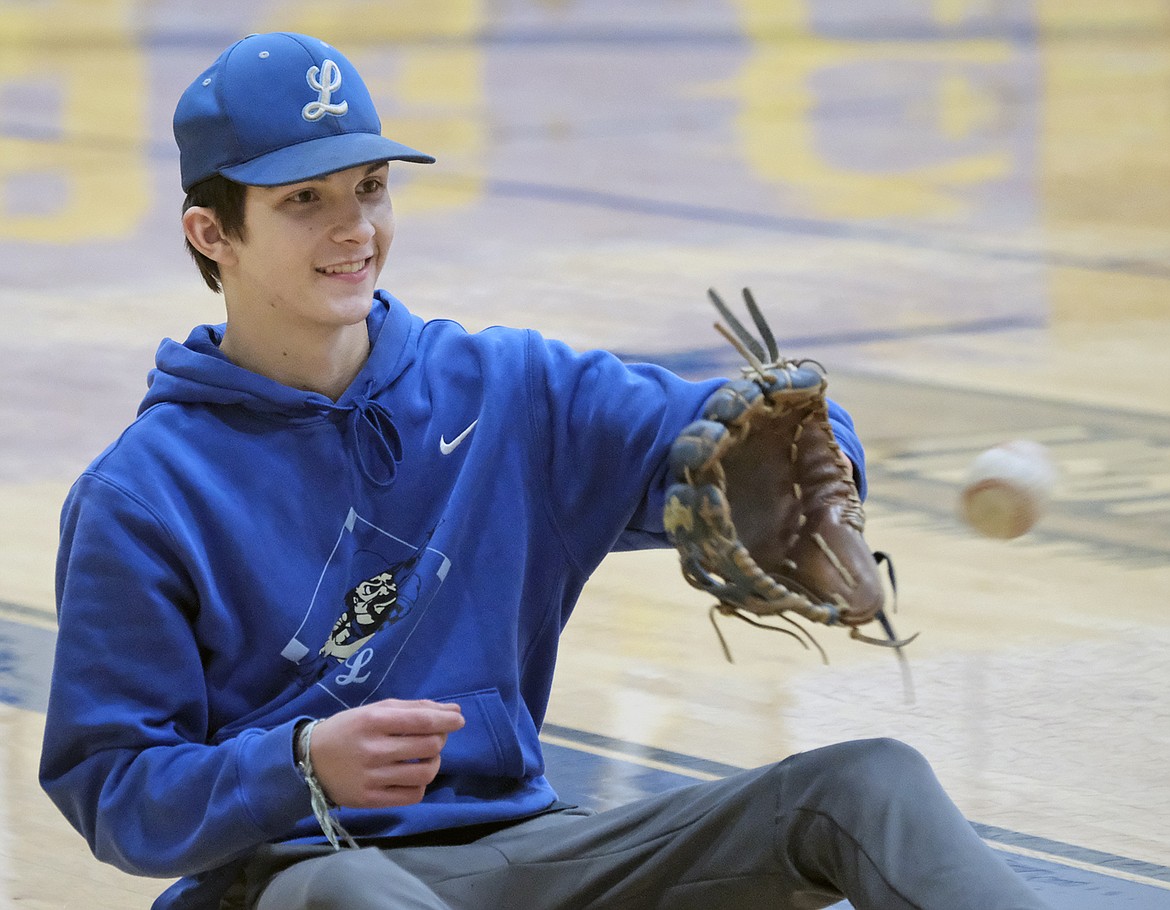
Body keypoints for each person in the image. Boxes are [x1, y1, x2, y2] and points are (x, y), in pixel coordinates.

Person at [39, 32, 1051, 910]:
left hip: (528, 853)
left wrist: (819, 480)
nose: (356, 229)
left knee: (867, 782)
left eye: (372, 187)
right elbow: (114, 789)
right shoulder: (142, 496)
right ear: (211, 232)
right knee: (357, 892)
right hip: (296, 877)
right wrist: (301, 764)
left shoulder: (507, 388)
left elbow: (745, 436)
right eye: (305, 199)